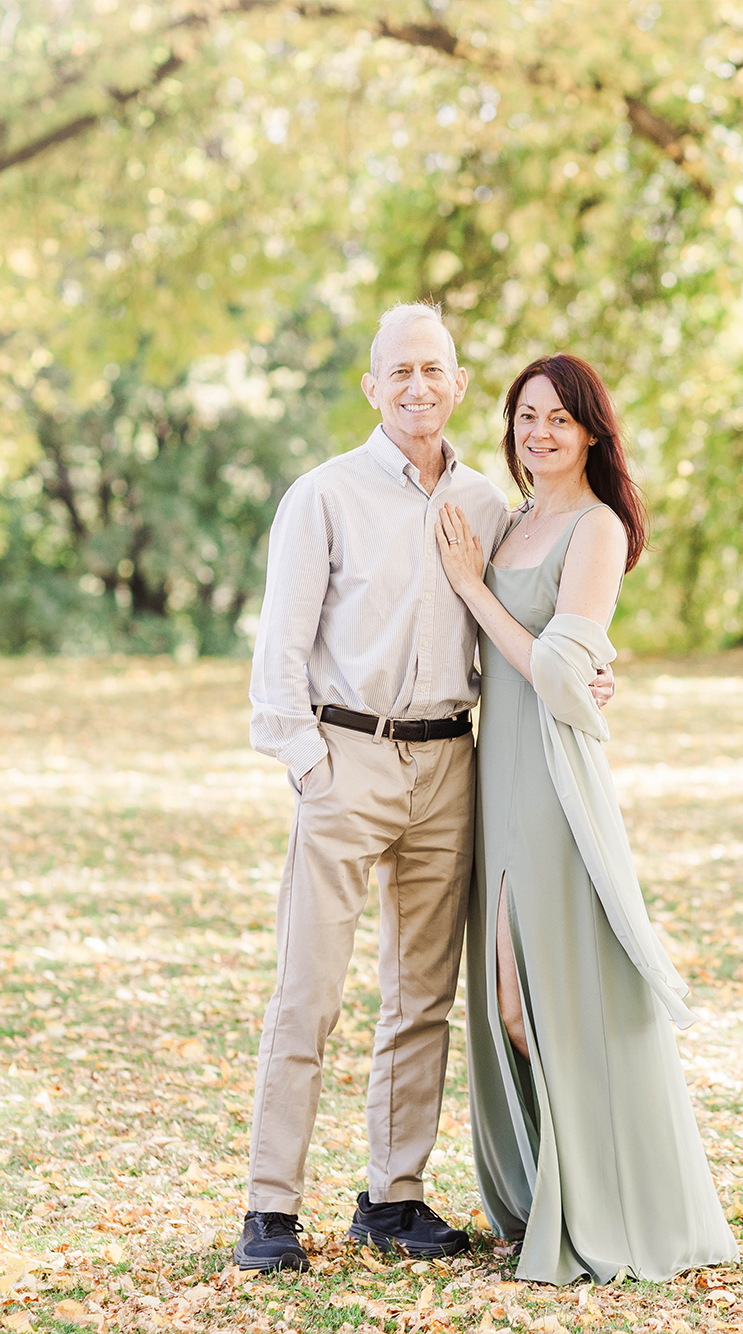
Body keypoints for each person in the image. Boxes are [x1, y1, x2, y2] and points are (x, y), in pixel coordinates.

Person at [236, 305, 613, 1273]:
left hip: (450, 762)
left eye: (433, 369)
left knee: (420, 997)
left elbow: (531, 616)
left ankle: (391, 1196)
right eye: (397, 369)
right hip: (346, 758)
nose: (415, 385)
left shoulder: (491, 504)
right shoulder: (323, 494)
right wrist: (309, 763)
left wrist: (587, 668)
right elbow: (279, 645)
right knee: (307, 992)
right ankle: (270, 1207)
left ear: (454, 384)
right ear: (373, 386)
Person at [434, 354, 738, 1284]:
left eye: (560, 419)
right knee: (502, 1001)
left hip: (554, 786)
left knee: (541, 1000)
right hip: (498, 776)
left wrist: (475, 590)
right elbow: (534, 664)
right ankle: (545, 1196)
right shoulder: (521, 519)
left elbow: (564, 678)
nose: (540, 433)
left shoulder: (596, 527)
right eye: (527, 416)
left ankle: (603, 1204)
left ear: (593, 433)